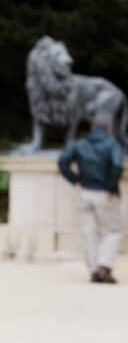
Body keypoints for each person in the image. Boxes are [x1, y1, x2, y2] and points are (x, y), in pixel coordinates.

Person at [58, 113, 124, 284]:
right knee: (113, 231)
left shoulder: (80, 144)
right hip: (105, 193)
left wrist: (75, 180)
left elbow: (63, 162)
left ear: (92, 128)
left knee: (90, 232)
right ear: (109, 129)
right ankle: (104, 266)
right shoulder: (113, 145)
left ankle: (94, 269)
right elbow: (117, 166)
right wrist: (111, 186)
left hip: (85, 193)